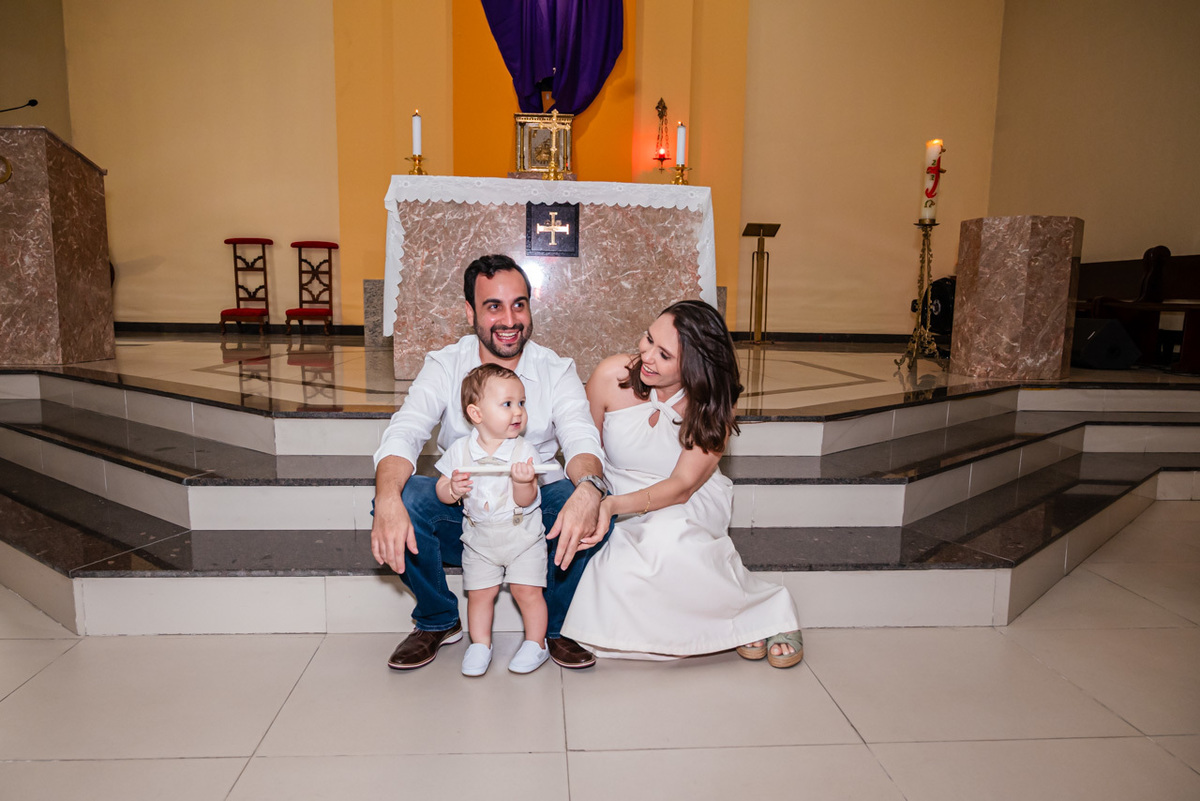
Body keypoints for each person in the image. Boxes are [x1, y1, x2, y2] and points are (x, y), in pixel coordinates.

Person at [371, 254, 608, 671]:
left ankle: (552, 628)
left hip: (532, 517)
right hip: (465, 517)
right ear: (470, 312)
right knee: (400, 496)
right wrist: (387, 496)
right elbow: (405, 431)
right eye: (493, 306)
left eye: (519, 304)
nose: (509, 318)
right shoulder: (444, 365)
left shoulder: (556, 370)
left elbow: (580, 437)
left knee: (585, 497)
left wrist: (590, 488)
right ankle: (438, 619)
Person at [562, 300, 804, 667]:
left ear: (693, 366)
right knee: (620, 560)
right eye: (648, 339)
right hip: (616, 489)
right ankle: (737, 623)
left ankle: (768, 611)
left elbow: (682, 486)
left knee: (669, 537)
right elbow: (584, 445)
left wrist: (613, 507)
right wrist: (595, 494)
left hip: (684, 497)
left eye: (664, 354)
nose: (646, 355)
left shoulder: (710, 406)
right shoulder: (611, 375)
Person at [434, 364, 549, 676]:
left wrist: (524, 483)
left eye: (522, 403)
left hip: (522, 535)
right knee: (481, 594)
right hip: (479, 538)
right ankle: (480, 643)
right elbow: (442, 490)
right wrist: (451, 488)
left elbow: (526, 501)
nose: (518, 412)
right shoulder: (460, 450)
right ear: (476, 413)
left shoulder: (524, 450)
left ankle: (536, 642)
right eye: (507, 404)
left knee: (528, 591)